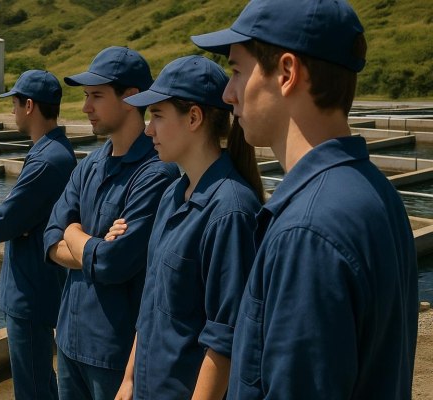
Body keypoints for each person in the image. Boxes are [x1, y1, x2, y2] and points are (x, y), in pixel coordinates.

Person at [191, 0, 418, 398]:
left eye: (238, 71)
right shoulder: (374, 191)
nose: (228, 94)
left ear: (287, 73)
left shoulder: (307, 229)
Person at [110, 55, 264, 400]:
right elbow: (151, 301)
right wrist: (130, 379)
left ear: (193, 117)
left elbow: (225, 339)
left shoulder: (231, 211)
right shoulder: (173, 194)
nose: (148, 129)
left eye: (157, 115)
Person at [43, 46, 181, 399]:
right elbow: (51, 237)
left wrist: (72, 232)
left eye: (97, 96)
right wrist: (91, 241)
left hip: (116, 352)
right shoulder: (90, 164)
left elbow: (114, 263)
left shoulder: (156, 172)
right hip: (70, 339)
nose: (86, 107)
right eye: (86, 96)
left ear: (131, 98)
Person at [0, 69, 77, 400]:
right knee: (40, 383)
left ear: (29, 106)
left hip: (29, 292)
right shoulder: (53, 151)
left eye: (14, 103)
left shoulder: (47, 161)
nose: (11, 110)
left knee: (33, 389)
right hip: (36, 286)